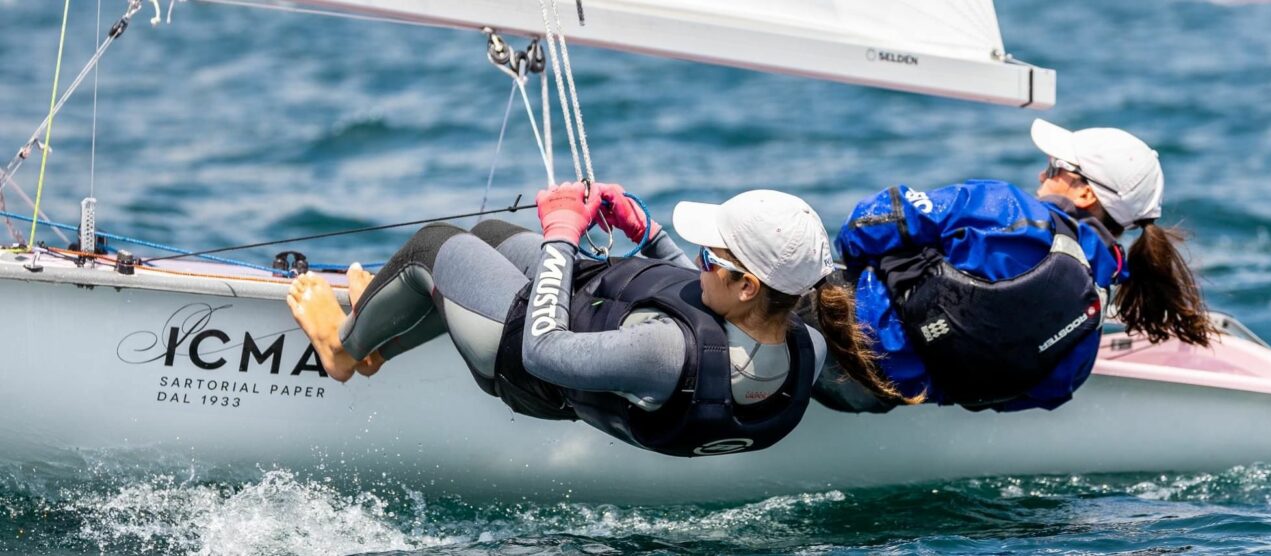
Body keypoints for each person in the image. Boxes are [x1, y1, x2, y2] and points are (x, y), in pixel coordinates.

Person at [287, 183, 906, 456]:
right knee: (494, 233)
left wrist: (561, 238)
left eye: (709, 258)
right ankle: (389, 319)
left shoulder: (665, 352)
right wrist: (647, 231)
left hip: (529, 360)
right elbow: (691, 295)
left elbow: (544, 351)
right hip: (595, 321)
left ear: (748, 284)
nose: (698, 263)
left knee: (434, 244)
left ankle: (346, 353)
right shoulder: (802, 343)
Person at [814, 119, 1214, 413]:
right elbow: (1019, 395)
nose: (1043, 174)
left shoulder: (1005, 207)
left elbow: (866, 223)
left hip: (829, 331)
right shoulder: (1090, 326)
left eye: (1057, 167)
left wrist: (887, 269)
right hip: (877, 394)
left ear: (1086, 191)